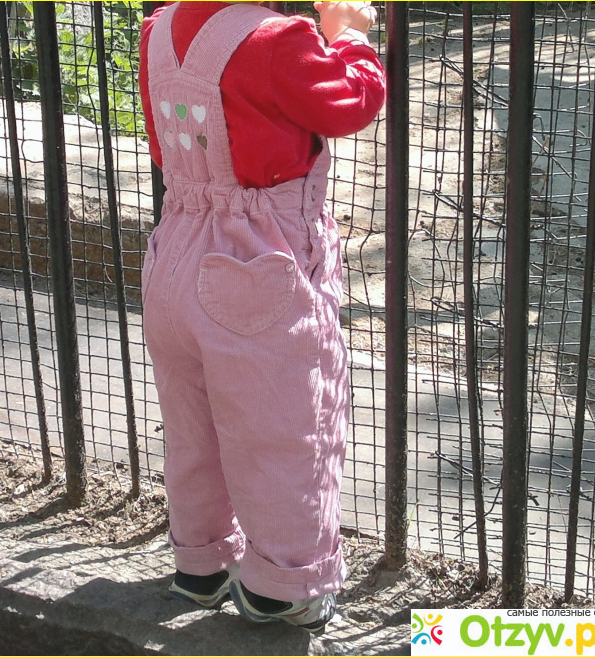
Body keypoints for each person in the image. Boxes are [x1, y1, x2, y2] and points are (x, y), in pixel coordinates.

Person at [139, 1, 384, 633]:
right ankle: (283, 586)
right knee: (282, 429)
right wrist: (351, 36)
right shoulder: (279, 40)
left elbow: (164, 143)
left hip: (173, 257)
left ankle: (201, 564)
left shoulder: (158, 32)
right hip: (256, 264)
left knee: (192, 427)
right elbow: (350, 104)